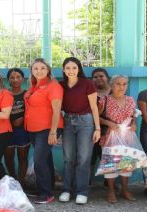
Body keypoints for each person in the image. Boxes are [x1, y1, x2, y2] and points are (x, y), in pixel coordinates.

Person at [59, 57, 100, 204]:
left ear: (79, 69)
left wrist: (98, 128)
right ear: (63, 70)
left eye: (74, 68)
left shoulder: (87, 84)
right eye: (68, 68)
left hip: (86, 122)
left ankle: (82, 191)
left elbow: (94, 107)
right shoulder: (61, 85)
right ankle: (66, 190)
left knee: (83, 158)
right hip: (68, 122)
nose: (71, 71)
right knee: (68, 158)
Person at [24, 58, 63, 204]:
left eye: (42, 68)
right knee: (45, 159)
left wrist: (53, 132)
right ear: (31, 71)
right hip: (33, 128)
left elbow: (57, 110)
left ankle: (46, 194)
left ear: (48, 70)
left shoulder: (53, 86)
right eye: (35, 68)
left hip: (48, 128)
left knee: (39, 160)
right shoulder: (33, 86)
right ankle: (46, 188)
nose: (38, 71)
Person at [98, 75, 137, 203]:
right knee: (111, 165)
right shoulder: (105, 100)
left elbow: (133, 115)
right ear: (112, 86)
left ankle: (125, 190)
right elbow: (96, 117)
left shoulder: (131, 100)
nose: (121, 87)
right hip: (110, 136)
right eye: (118, 84)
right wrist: (109, 124)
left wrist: (134, 124)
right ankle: (111, 191)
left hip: (126, 136)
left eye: (124, 84)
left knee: (126, 163)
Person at [4, 68, 31, 187]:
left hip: (23, 130)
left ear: (22, 79)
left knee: (23, 157)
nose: (15, 79)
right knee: (8, 158)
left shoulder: (27, 94)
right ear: (8, 80)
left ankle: (21, 182)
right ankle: (13, 181)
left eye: (18, 77)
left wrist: (23, 119)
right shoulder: (4, 94)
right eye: (12, 77)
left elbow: (34, 110)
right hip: (7, 130)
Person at [90, 68, 110, 177]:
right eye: (95, 77)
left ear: (107, 77)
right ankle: (87, 181)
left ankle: (109, 182)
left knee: (108, 155)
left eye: (101, 76)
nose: (98, 79)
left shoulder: (114, 91)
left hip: (111, 129)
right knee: (90, 155)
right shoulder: (90, 93)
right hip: (93, 127)